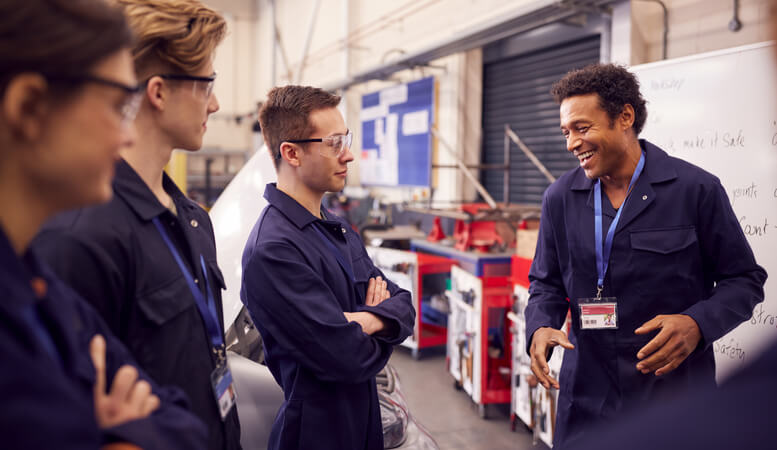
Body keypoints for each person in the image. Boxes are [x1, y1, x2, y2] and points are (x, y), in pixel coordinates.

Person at [32, 1, 241, 449]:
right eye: (208, 84)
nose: (217, 102)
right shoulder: (81, 238)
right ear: (159, 92)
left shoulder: (193, 219)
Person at [524, 63, 767, 448]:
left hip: (676, 396)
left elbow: (745, 281)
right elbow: (546, 283)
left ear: (625, 116)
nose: (571, 143)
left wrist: (697, 324)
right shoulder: (560, 198)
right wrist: (539, 327)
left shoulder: (695, 190)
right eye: (566, 132)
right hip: (588, 396)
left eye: (582, 128)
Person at [240, 85, 415, 450]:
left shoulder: (333, 227)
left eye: (345, 140)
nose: (348, 155)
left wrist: (364, 320)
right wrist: (380, 321)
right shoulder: (273, 251)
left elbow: (403, 303)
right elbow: (348, 358)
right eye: (335, 143)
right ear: (292, 153)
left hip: (363, 425)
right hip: (316, 436)